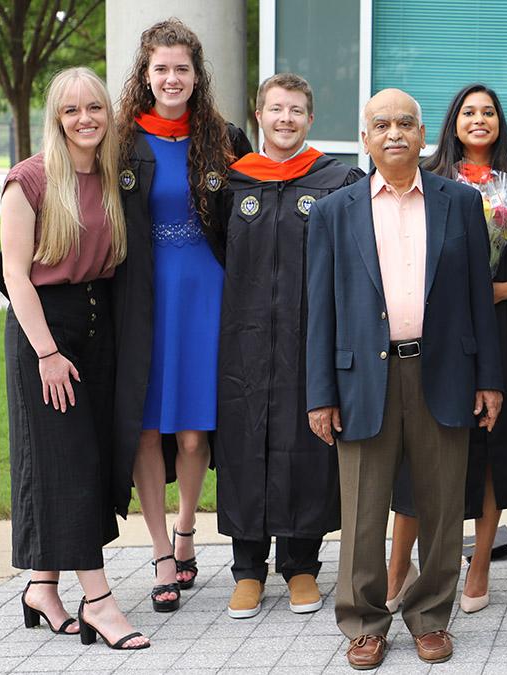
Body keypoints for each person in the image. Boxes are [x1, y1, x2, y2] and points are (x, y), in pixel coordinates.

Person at [305, 88, 503, 669]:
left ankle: (430, 618)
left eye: (406, 124)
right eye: (381, 124)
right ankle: (364, 623)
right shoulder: (335, 212)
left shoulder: (460, 204)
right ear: (364, 138)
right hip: (362, 378)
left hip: (442, 371)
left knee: (441, 507)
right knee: (363, 511)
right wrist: (321, 393)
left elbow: (477, 302)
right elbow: (320, 310)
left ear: (423, 137)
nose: (394, 133)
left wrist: (488, 378)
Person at [385, 83, 507, 616]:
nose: (479, 120)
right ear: (452, 121)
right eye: (468, 111)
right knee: (417, 450)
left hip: (499, 329)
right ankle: (396, 567)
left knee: (490, 452)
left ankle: (478, 564)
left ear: (500, 124)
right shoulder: (424, 181)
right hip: (433, 331)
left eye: (489, 112)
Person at [0, 67, 148, 650]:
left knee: (86, 458)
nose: (85, 119)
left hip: (96, 324)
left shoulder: (111, 178)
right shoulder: (29, 181)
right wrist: (48, 353)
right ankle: (101, 603)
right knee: (70, 462)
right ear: (55, 119)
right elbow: (15, 275)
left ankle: (42, 585)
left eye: (95, 108)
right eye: (71, 110)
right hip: (46, 332)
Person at [112, 19, 252, 613]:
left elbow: (252, 214)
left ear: (198, 75)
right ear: (146, 76)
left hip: (206, 294)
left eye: (182, 69)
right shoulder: (121, 142)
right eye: (161, 69)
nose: (172, 78)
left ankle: (188, 528)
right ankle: (160, 553)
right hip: (145, 296)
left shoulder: (224, 138)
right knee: (147, 428)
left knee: (195, 431)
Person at [214, 73, 363, 620]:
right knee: (245, 441)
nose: (285, 119)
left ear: (310, 119)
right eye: (275, 109)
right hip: (245, 336)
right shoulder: (233, 184)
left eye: (296, 110)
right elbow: (216, 246)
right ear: (259, 116)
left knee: (307, 440)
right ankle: (247, 568)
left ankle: (301, 566)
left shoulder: (336, 179)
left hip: (308, 334)